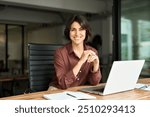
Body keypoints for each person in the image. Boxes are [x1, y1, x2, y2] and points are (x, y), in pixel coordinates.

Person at [54, 15, 102, 89]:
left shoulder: (92, 51)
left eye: (81, 29)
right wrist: (80, 62)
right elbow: (63, 84)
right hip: (61, 92)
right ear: (68, 32)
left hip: (81, 93)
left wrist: (96, 65)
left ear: (86, 31)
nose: (77, 34)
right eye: (73, 30)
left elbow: (94, 82)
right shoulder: (60, 53)